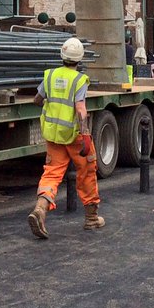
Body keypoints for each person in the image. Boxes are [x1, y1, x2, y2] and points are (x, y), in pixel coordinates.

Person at [28, 37, 103, 239]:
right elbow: (80, 110)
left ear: (62, 56)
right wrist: (86, 134)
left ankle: (40, 209)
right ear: (79, 59)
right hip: (75, 136)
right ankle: (91, 218)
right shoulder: (79, 79)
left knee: (52, 173)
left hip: (54, 135)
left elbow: (37, 100)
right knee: (87, 171)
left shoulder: (50, 75)